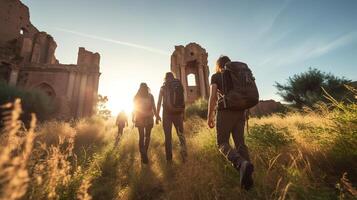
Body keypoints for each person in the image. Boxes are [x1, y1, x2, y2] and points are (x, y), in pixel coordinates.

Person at [207, 55, 254, 190]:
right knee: (240, 143)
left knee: (222, 143)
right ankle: (248, 182)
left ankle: (241, 164)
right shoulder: (238, 75)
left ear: (218, 65)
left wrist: (209, 115)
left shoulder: (216, 76)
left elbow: (213, 96)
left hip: (225, 110)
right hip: (241, 111)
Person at [157, 72, 187, 163]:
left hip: (167, 114)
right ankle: (184, 156)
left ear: (165, 78)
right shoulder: (178, 85)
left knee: (168, 137)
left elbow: (159, 102)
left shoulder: (163, 87)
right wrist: (183, 114)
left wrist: (157, 115)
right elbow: (183, 100)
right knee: (181, 135)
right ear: (173, 77)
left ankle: (169, 160)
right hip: (178, 113)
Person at [132, 83, 159, 164]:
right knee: (147, 137)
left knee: (141, 137)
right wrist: (157, 116)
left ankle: (143, 155)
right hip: (149, 118)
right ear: (147, 88)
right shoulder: (150, 96)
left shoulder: (136, 96)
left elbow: (134, 108)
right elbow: (154, 107)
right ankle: (145, 154)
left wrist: (133, 118)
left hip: (139, 118)